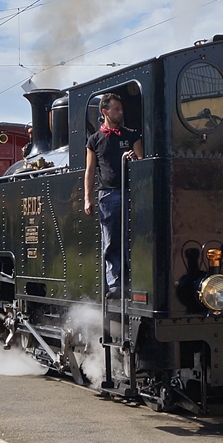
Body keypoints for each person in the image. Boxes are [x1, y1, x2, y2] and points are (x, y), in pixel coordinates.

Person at [84, 93, 143, 299]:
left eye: (121, 109)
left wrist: (133, 159)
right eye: (116, 109)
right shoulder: (95, 140)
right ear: (105, 112)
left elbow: (141, 161)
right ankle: (115, 282)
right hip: (107, 193)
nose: (120, 112)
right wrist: (87, 198)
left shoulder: (132, 135)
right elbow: (90, 171)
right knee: (110, 240)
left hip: (130, 192)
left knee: (130, 237)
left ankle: (132, 279)